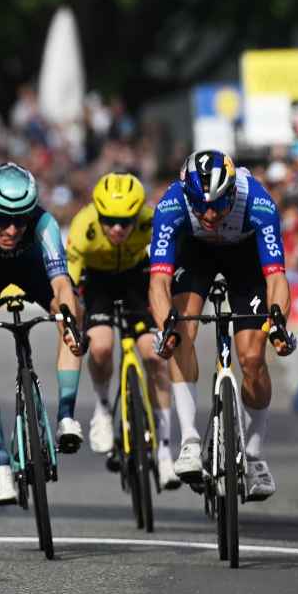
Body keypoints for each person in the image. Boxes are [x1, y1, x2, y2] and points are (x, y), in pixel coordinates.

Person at [149, 150, 296, 502]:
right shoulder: (170, 206)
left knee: (251, 359)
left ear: (232, 192)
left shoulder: (258, 202)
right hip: (195, 254)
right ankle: (189, 441)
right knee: (181, 333)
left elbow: (276, 277)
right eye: (201, 206)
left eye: (218, 204)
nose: (211, 214)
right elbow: (158, 282)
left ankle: (256, 455)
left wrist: (277, 324)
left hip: (245, 260)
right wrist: (165, 327)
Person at [0, 162, 84, 505]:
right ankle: (0, 465)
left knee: (72, 313)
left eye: (20, 219)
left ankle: (67, 416)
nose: (11, 229)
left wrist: (67, 316)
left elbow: (59, 282)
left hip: (30, 269)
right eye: (1, 219)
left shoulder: (44, 224)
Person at [66, 173, 178, 489]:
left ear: (137, 214)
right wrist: (73, 322)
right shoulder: (83, 227)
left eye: (125, 221)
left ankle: (167, 451)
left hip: (135, 279)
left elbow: (167, 269)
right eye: (110, 220)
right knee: (100, 347)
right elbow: (70, 286)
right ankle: (102, 410)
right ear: (98, 213)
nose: (117, 228)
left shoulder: (150, 221)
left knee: (155, 356)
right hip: (97, 281)